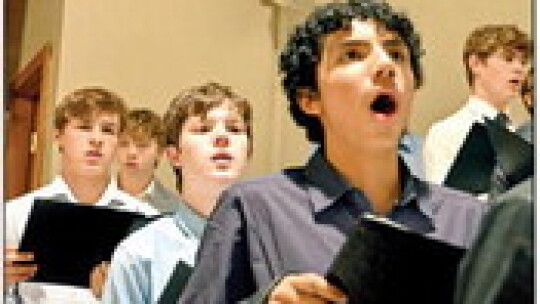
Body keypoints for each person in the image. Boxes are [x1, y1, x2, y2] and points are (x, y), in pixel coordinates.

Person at [179, 1, 486, 303]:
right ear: (310, 99)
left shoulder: (472, 220)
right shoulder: (253, 209)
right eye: (352, 54)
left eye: (396, 54)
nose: (386, 66)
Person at [100, 82, 253, 303]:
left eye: (235, 129)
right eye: (203, 129)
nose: (222, 138)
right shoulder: (139, 254)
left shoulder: (271, 243)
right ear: (174, 155)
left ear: (248, 151)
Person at [5, 87, 158, 304]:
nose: (96, 139)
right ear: (58, 137)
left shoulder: (148, 223)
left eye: (107, 130)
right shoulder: (14, 215)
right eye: (84, 127)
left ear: (118, 142)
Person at [423, 24, 531, 185]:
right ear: (476, 64)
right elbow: (440, 204)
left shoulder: (524, 136)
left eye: (523, 62)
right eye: (508, 59)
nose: (519, 69)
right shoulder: (445, 133)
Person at [115, 108, 179, 213]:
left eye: (142, 145)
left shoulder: (176, 208)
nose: (131, 153)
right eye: (123, 144)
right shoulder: (94, 198)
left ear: (159, 152)